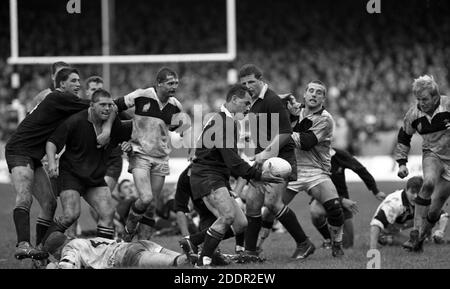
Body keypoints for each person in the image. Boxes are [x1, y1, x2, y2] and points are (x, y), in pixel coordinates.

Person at [4, 67, 113, 260]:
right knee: (24, 196)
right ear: (61, 84)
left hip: (33, 155)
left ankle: (39, 251)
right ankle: (23, 244)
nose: (79, 85)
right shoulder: (60, 98)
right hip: (19, 150)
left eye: (79, 81)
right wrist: (120, 103)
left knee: (49, 203)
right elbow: (93, 105)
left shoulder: (55, 100)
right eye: (74, 81)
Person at [189, 84, 283, 267]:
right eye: (246, 103)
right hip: (207, 176)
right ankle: (203, 262)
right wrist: (257, 175)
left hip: (213, 175)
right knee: (228, 216)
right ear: (233, 100)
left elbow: (230, 160)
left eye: (250, 103)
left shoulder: (224, 120)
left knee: (240, 223)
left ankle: (192, 241)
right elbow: (232, 161)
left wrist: (250, 176)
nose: (248, 107)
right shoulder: (224, 123)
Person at [41, 89, 132, 256]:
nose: (107, 108)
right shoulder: (75, 121)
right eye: (102, 105)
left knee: (108, 212)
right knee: (71, 215)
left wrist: (129, 145)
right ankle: (42, 251)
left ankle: (99, 258)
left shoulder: (113, 124)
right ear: (91, 106)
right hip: (71, 175)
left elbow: (131, 134)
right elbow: (52, 143)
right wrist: (52, 163)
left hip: (95, 178)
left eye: (109, 105)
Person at [238, 64, 314, 260]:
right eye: (244, 83)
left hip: (279, 158)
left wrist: (266, 153)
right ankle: (250, 252)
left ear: (261, 80)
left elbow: (285, 133)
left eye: (251, 82)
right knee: (253, 205)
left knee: (272, 203)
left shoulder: (271, 100)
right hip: (263, 158)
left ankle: (304, 243)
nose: (248, 86)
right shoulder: (254, 101)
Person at [114, 67, 190, 241]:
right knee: (146, 197)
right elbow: (114, 107)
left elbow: (174, 127)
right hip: (139, 153)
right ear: (159, 84)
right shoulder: (142, 95)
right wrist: (122, 136)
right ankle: (129, 230)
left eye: (176, 83)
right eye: (170, 83)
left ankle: (143, 244)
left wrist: (183, 130)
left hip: (161, 157)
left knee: (151, 205)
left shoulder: (175, 105)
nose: (174, 87)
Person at [284, 80, 346, 257]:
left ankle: (337, 244)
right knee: (269, 210)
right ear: (304, 94)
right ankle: (255, 248)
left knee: (334, 208)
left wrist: (285, 126)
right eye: (310, 91)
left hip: (316, 171)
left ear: (323, 98)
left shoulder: (325, 119)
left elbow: (306, 142)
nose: (313, 94)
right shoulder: (295, 110)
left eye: (319, 92)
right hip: (291, 169)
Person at [394, 75, 450, 252]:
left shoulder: (448, 105)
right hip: (432, 154)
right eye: (418, 99)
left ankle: (419, 241)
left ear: (435, 97)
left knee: (434, 211)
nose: (421, 103)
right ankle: (415, 233)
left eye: (424, 99)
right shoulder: (413, 114)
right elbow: (404, 136)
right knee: (428, 183)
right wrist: (402, 162)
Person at [174, 164, 248, 265]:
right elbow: (180, 208)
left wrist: (236, 192)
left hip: (225, 207)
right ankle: (193, 243)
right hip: (206, 217)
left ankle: (240, 249)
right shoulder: (185, 177)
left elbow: (242, 174)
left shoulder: (218, 164)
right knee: (212, 255)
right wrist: (186, 238)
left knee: (236, 214)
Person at [369, 176, 449, 249]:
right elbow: (376, 224)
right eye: (412, 192)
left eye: (418, 193)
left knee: (429, 215)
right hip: (384, 231)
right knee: (412, 244)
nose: (415, 196)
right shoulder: (394, 203)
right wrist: (373, 250)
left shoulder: (425, 199)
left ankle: (428, 238)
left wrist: (440, 232)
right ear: (406, 190)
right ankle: (385, 239)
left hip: (399, 228)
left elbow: (442, 215)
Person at [46, 236, 194, 269]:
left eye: (56, 255)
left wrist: (51, 266)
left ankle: (187, 257)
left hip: (124, 256)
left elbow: (67, 266)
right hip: (139, 244)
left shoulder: (69, 248)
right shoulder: (85, 240)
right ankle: (202, 256)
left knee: (176, 263)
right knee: (191, 263)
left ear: (58, 250)